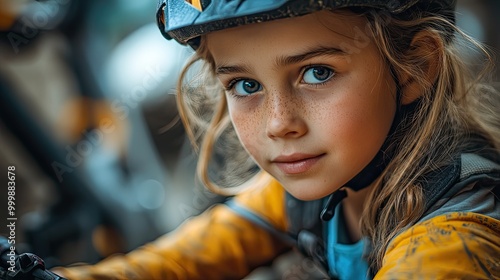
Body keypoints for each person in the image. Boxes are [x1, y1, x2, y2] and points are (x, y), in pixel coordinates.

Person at [53, 0, 500, 279]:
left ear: (416, 67)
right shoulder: (309, 189)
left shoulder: (457, 236)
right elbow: (181, 261)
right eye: (246, 86)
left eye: (317, 73)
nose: (278, 124)